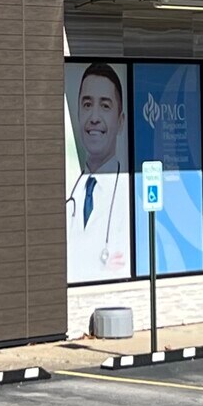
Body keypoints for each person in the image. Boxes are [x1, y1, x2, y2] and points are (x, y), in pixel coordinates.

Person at [66, 63, 131, 280]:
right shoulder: (70, 192)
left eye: (105, 106)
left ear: (120, 121)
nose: (94, 117)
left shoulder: (130, 195)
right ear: (77, 113)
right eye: (87, 104)